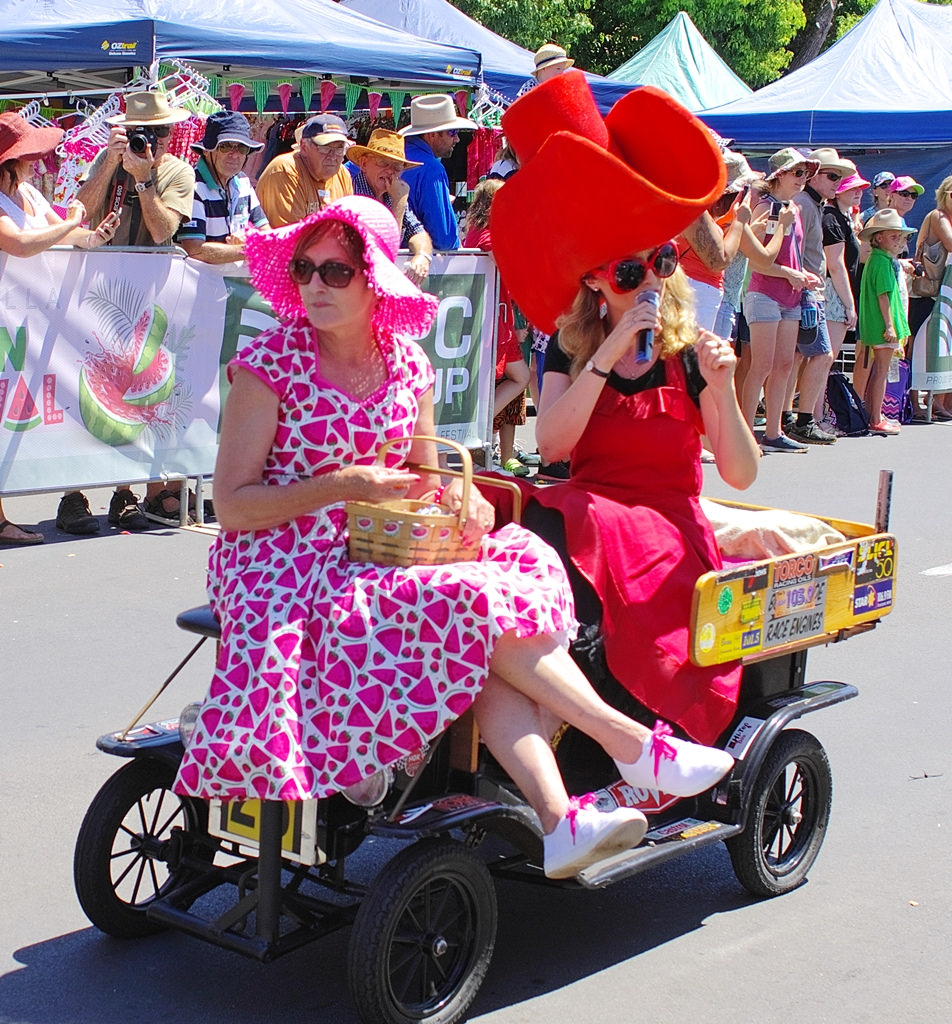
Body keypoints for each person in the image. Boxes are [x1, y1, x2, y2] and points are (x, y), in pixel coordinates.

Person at [172, 195, 735, 880]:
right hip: (279, 558)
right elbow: (232, 507)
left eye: (336, 272)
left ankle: (563, 820)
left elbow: (429, 475)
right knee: (469, 603)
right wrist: (342, 486)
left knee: (513, 568)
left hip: (382, 543)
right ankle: (626, 746)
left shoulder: (408, 364)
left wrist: (462, 499)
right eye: (304, 270)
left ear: (374, 277)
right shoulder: (269, 365)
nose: (314, 285)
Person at [490, 71, 761, 747]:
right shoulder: (570, 346)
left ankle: (587, 735)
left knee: (569, 522)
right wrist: (606, 354)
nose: (649, 282)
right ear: (594, 281)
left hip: (667, 528)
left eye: (660, 262)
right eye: (629, 272)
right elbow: (552, 447)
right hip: (594, 508)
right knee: (515, 513)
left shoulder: (693, 352)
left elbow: (741, 474)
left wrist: (724, 391)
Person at [71, 90, 197, 532]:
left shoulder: (179, 172)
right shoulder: (108, 160)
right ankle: (72, 496)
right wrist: (110, 162)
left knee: (134, 400)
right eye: (146, 133)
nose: (155, 141)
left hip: (147, 298)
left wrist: (143, 180)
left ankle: (124, 494)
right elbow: (79, 212)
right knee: (81, 391)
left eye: (162, 132)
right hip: (97, 293)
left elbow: (164, 231)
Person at [0, 111, 119, 547]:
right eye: (27, 156)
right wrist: (72, 224)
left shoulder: (29, 192)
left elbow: (66, 235)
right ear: (8, 162)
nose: (35, 162)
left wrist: (93, 235)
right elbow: (21, 243)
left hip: (26, 320)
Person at [741, 148, 822, 453]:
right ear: (779, 176)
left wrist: (803, 275)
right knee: (761, 366)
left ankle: (773, 432)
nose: (804, 179)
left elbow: (792, 256)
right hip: (764, 293)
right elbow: (756, 261)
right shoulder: (765, 207)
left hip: (790, 295)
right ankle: (747, 433)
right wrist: (791, 274)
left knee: (785, 366)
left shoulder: (794, 209)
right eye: (798, 173)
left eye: (806, 173)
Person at [785, 147, 855, 445]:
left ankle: (789, 416)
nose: (837, 181)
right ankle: (801, 419)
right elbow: (794, 250)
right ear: (814, 177)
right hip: (806, 292)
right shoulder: (803, 204)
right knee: (820, 354)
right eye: (831, 175)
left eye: (839, 177)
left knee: (798, 356)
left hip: (808, 292)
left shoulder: (814, 205)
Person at [463, 178, 531, 476]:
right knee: (518, 377)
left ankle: (485, 439)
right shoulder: (487, 235)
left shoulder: (482, 230)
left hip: (498, 316)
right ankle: (477, 430)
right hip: (492, 318)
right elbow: (509, 262)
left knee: (511, 380)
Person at [177, 110, 269, 264]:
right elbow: (195, 250)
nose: (234, 154)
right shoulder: (192, 186)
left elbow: (265, 231)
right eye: (225, 146)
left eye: (242, 148)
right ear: (207, 151)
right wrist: (248, 249)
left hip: (234, 283)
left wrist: (250, 238)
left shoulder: (243, 182)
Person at [346, 128, 433, 285]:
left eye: (397, 167)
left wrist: (422, 255)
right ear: (364, 164)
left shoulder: (391, 193)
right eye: (383, 163)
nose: (390, 171)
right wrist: (399, 201)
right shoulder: (352, 193)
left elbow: (418, 231)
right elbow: (385, 247)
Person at [857, 208, 915, 435]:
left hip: (880, 324)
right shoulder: (881, 262)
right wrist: (890, 326)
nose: (900, 242)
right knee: (881, 371)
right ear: (878, 238)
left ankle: (874, 415)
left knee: (879, 371)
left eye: (902, 237)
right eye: (894, 236)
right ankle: (876, 417)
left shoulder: (881, 259)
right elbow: (884, 296)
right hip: (882, 326)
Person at [399, 95, 476, 251]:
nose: (457, 139)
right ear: (432, 135)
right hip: (414, 264)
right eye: (452, 132)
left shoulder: (388, 156)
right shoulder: (431, 168)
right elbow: (445, 239)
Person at [821, 169, 869, 421]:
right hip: (834, 291)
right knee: (825, 358)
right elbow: (836, 264)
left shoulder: (845, 218)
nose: (858, 192)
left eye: (860, 188)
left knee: (826, 358)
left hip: (840, 289)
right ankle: (816, 415)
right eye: (852, 188)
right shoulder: (830, 217)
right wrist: (850, 305)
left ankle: (818, 413)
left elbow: (857, 258)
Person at [256, 113, 353, 227]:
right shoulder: (285, 171)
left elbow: (347, 226)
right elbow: (291, 238)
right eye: (324, 148)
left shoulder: (342, 174)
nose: (332, 156)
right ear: (304, 147)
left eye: (339, 149)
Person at [908, 175, 952, 418]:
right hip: (927, 292)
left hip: (944, 294)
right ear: (944, 195)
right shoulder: (938, 216)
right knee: (916, 347)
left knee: (943, 348)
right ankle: (914, 403)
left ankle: (940, 401)